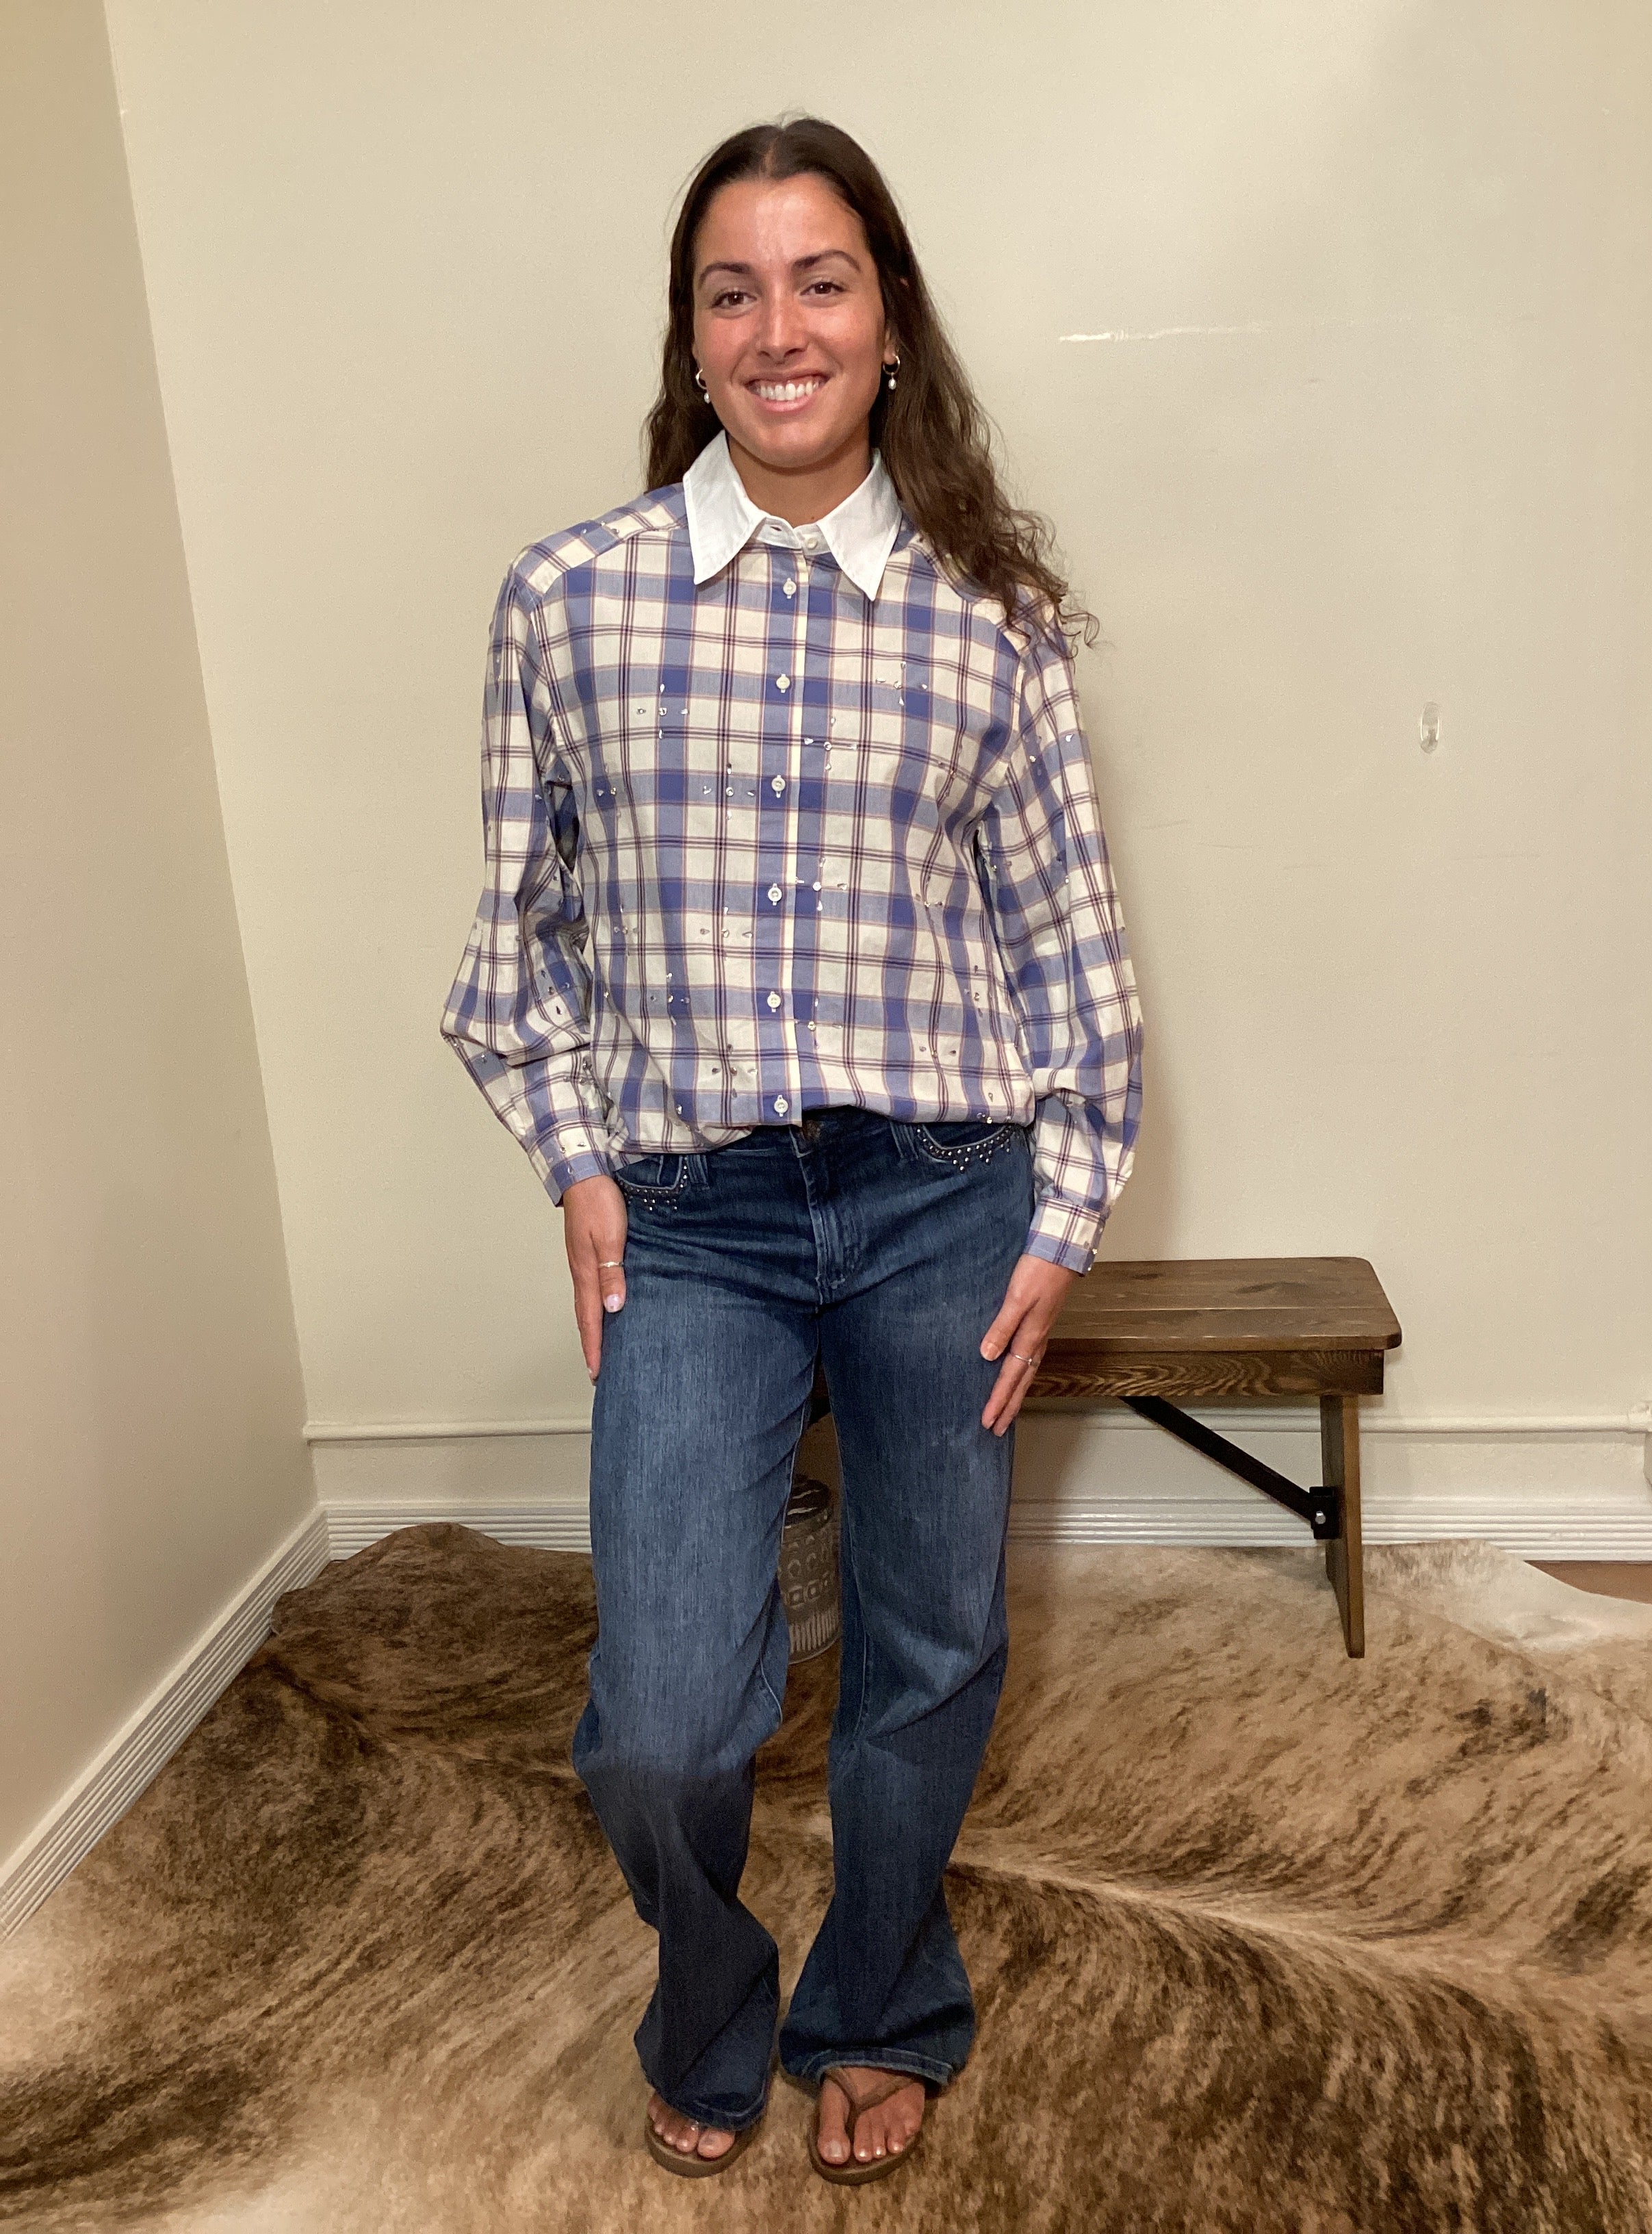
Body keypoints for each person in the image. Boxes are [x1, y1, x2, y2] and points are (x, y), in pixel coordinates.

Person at [441, 116, 1141, 2186]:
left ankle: (881, 2003)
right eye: (732, 289)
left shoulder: (991, 624)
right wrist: (580, 1162)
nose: (779, 327)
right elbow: (515, 953)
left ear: (892, 322)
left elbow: (1069, 944)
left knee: (930, 1646)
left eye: (821, 279)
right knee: (665, 1714)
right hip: (698, 1219)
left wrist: (1067, 1207)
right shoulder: (565, 601)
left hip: (946, 1202)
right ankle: (713, 1995)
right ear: (691, 333)